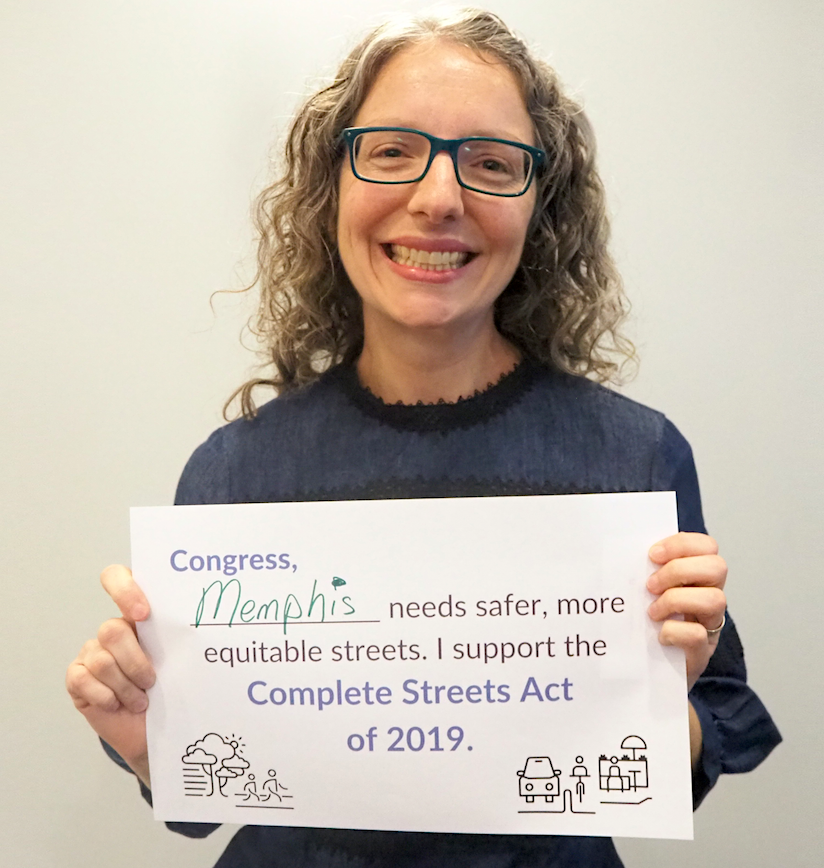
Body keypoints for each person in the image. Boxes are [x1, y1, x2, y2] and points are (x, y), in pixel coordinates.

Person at [65, 8, 781, 867]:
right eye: (394, 149)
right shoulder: (236, 472)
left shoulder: (631, 457)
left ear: (540, 205)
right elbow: (199, 807)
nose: (439, 198)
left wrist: (671, 695)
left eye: (489, 162)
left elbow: (708, 738)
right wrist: (148, 740)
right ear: (333, 185)